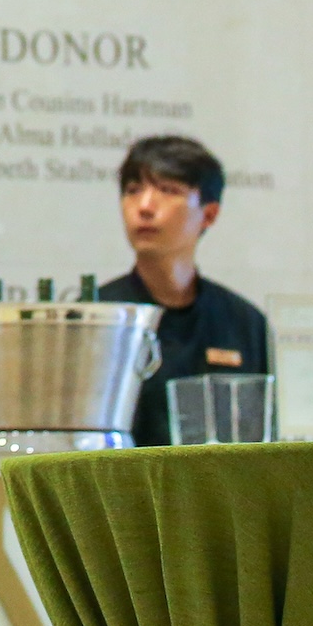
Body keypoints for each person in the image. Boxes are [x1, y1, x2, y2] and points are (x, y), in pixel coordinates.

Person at [94, 135, 271, 447]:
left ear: (209, 213)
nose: (145, 207)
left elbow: (263, 442)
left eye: (167, 190)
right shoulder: (98, 315)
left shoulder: (243, 322)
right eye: (133, 191)